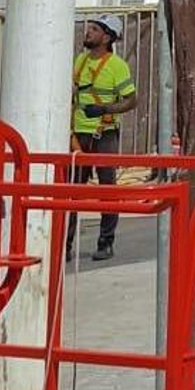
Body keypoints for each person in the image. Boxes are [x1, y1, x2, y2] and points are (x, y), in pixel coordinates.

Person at [67, 14, 136, 262]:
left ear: (107, 37)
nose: (88, 32)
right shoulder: (81, 61)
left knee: (107, 191)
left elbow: (131, 100)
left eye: (95, 29)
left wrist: (105, 109)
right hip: (79, 135)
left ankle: (106, 243)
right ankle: (65, 245)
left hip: (104, 133)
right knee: (70, 192)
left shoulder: (117, 66)